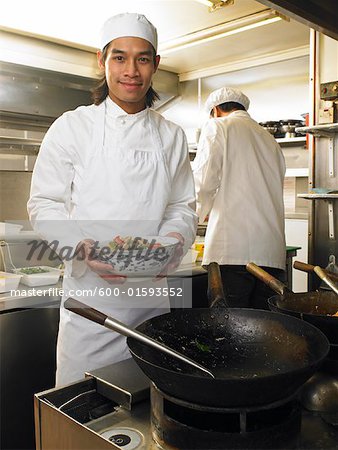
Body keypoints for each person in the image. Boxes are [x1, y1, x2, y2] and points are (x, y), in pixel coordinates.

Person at [27, 12, 197, 386]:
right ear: (101, 61)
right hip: (91, 308)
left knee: (146, 416)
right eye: (119, 57)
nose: (131, 70)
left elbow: (181, 206)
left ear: (155, 65)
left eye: (142, 58)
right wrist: (81, 247)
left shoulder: (171, 136)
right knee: (80, 410)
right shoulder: (72, 127)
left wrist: (172, 242)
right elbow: (44, 203)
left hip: (151, 306)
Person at [192, 87, 286, 309]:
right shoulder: (270, 140)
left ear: (215, 110)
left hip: (231, 251)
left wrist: (190, 223)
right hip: (272, 254)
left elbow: (203, 183)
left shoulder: (217, 126)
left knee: (229, 329)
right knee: (265, 330)